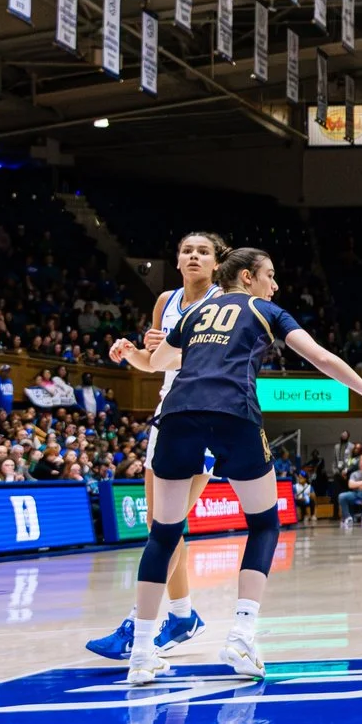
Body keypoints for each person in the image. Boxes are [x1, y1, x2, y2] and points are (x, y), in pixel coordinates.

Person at [107, 246, 362, 684]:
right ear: (248, 278)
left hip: (176, 414)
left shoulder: (194, 314)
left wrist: (129, 351)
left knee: (164, 532)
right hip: (232, 412)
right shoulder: (263, 309)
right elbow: (321, 357)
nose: (276, 284)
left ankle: (140, 656)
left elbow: (153, 363)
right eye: (270, 275)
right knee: (265, 524)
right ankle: (242, 636)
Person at [88, 232, 233, 662]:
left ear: (216, 262)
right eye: (187, 250)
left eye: (202, 251)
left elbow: (217, 361)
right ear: (177, 258)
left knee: (167, 527)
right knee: (160, 525)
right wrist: (131, 352)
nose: (193, 256)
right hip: (168, 413)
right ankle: (184, 616)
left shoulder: (226, 303)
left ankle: (138, 622)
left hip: (207, 415)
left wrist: (172, 352)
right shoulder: (165, 301)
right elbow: (156, 364)